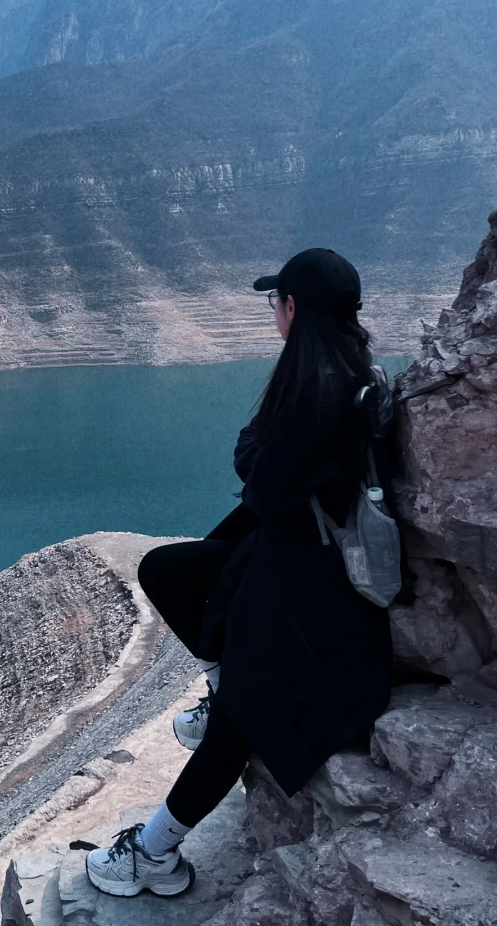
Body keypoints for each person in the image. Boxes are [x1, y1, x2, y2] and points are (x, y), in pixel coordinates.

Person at [85, 248, 394, 899]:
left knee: (239, 721)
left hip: (303, 582)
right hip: (281, 556)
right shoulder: (337, 373)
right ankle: (221, 681)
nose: (272, 311)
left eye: (276, 300)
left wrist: (254, 450)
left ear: (296, 310)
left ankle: (153, 853)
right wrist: (259, 454)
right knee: (164, 569)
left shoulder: (320, 388)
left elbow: (264, 480)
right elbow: (266, 469)